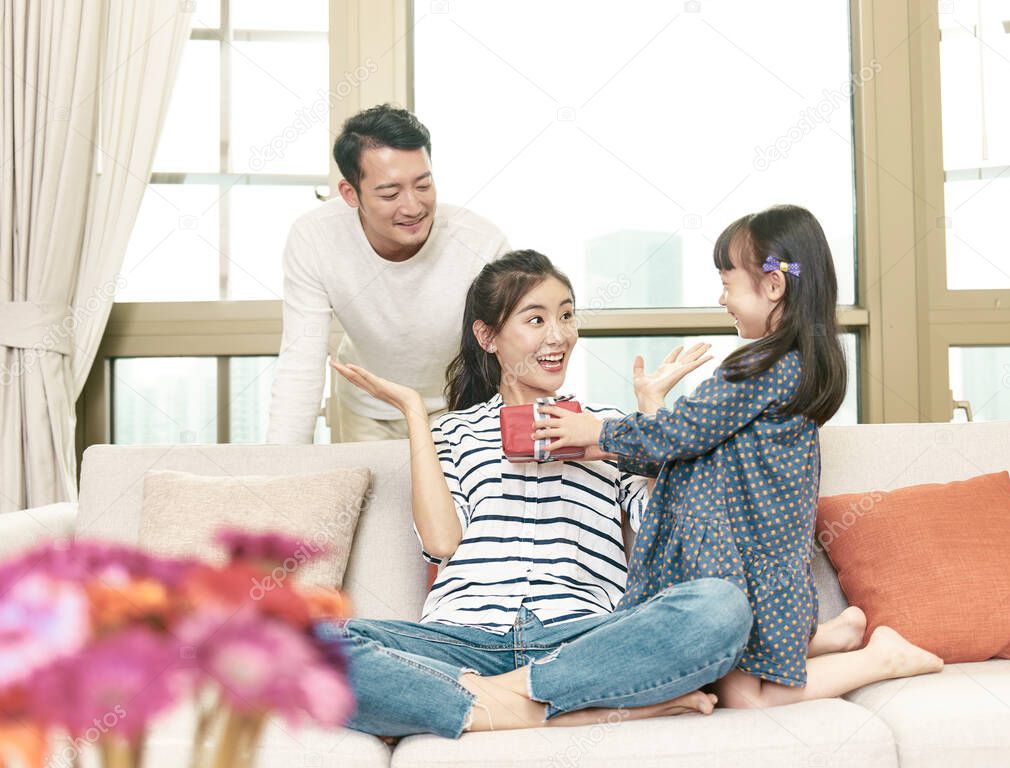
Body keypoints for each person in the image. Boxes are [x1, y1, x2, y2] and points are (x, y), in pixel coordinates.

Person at [315, 249, 753, 738]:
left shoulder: (609, 426)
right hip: (463, 637)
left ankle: (490, 698)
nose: (559, 335)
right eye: (536, 319)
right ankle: (560, 707)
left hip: (581, 638)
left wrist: (644, 425)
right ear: (488, 337)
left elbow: (662, 529)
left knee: (722, 606)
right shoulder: (454, 433)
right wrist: (417, 414)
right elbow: (441, 543)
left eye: (566, 315)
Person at [532, 205, 944, 709]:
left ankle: (881, 658)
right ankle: (831, 637)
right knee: (718, 667)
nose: (722, 298)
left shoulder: (759, 367)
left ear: (773, 287)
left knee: (746, 699)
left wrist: (598, 429)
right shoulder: (790, 365)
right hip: (754, 553)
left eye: (727, 283)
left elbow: (681, 431)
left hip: (748, 558)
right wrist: (595, 441)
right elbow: (692, 443)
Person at [267, 104, 510, 444]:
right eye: (390, 193)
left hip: (460, 408)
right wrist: (282, 472)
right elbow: (301, 361)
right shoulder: (315, 237)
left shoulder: (481, 242)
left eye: (423, 186)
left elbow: (514, 353)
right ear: (351, 193)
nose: (412, 207)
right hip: (368, 407)